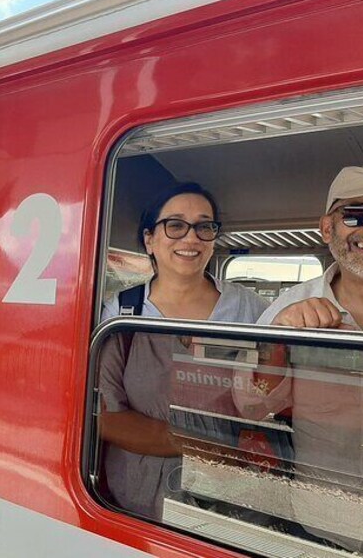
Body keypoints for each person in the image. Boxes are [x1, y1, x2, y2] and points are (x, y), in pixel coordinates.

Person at [235, 162, 363, 557]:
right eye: (356, 214)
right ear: (328, 229)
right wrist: (278, 341)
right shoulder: (287, 306)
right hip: (321, 523)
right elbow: (249, 405)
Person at [97, 182, 269, 520]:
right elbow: (105, 415)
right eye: (175, 225)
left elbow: (270, 399)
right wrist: (195, 445)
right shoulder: (120, 311)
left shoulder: (251, 310)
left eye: (205, 227)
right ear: (149, 239)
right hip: (133, 496)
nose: (191, 238)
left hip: (228, 498)